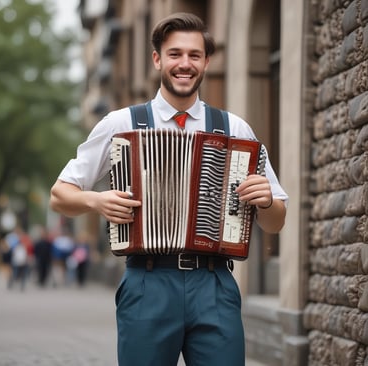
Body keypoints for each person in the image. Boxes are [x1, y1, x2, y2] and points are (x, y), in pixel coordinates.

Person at [50, 12, 288, 366]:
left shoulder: (234, 129)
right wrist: (95, 200)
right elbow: (59, 194)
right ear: (157, 59)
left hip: (216, 284)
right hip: (148, 282)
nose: (184, 64)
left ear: (207, 62)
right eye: (175, 54)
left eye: (194, 55)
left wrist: (267, 200)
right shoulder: (120, 123)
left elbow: (276, 222)